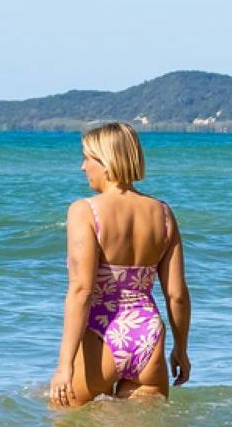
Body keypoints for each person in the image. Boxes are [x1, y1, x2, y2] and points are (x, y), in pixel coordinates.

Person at [49, 122, 190, 407]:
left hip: (102, 331)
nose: (82, 166)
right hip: (148, 335)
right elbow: (176, 294)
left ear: (105, 161)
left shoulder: (85, 211)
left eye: (87, 158)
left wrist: (65, 366)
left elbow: (82, 291)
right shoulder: (163, 214)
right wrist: (181, 350)